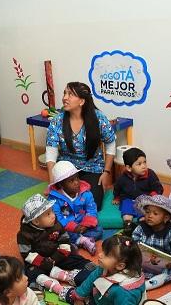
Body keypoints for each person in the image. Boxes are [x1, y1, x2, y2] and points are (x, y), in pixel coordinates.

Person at [46, 82, 116, 210]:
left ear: (82, 101)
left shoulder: (99, 118)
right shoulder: (57, 120)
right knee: (61, 204)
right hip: (67, 168)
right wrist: (52, 182)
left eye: (70, 94)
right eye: (65, 93)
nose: (65, 98)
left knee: (94, 204)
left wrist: (106, 173)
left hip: (92, 167)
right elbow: (51, 153)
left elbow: (110, 144)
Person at [17, 194, 95, 301]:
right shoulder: (24, 234)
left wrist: (56, 257)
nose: (53, 215)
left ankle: (87, 266)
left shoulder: (55, 224)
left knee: (72, 255)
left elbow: (65, 240)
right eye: (48, 214)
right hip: (39, 259)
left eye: (52, 211)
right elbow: (26, 254)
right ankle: (40, 286)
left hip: (57, 253)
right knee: (31, 271)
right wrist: (44, 262)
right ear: (36, 222)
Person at [132, 195, 171, 290]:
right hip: (144, 263)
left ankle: (146, 286)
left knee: (167, 274)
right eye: (147, 212)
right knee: (127, 264)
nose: (150, 216)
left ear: (166, 218)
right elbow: (135, 241)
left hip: (165, 266)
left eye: (155, 213)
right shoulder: (141, 228)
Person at [69, 235, 146, 305]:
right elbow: (91, 279)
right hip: (98, 295)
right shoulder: (105, 267)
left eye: (106, 254)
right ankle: (67, 277)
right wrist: (79, 295)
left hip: (103, 299)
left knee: (69, 294)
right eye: (103, 250)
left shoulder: (124, 292)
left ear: (120, 266)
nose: (100, 254)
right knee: (81, 280)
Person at [47, 161, 102, 255]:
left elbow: (91, 209)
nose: (76, 182)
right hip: (66, 228)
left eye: (77, 178)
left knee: (99, 230)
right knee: (55, 233)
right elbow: (57, 217)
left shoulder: (86, 193)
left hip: (83, 225)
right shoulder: (54, 199)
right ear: (61, 184)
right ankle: (81, 240)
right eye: (71, 181)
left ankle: (76, 242)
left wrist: (86, 224)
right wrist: (73, 227)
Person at [113, 147, 163, 236]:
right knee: (127, 212)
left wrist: (153, 195)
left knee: (144, 214)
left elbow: (158, 187)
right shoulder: (122, 177)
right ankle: (128, 227)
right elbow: (117, 187)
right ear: (129, 168)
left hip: (144, 201)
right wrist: (116, 197)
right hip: (128, 199)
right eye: (139, 164)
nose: (144, 166)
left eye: (144, 162)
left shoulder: (150, 174)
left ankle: (142, 227)